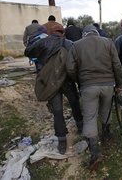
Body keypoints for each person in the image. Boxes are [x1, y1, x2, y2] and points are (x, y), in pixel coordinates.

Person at [66, 25, 122, 170]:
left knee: (90, 117)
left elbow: (70, 68)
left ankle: (95, 153)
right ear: (96, 33)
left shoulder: (76, 45)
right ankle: (107, 134)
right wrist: (119, 83)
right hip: (108, 84)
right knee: (106, 111)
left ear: (84, 34)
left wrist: (80, 81)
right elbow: (117, 64)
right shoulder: (108, 42)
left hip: (88, 86)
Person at [24, 24, 83, 154]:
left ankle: (62, 141)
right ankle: (80, 126)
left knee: (57, 110)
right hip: (67, 81)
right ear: (63, 33)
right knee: (74, 103)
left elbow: (27, 51)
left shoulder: (43, 42)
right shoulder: (69, 44)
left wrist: (40, 58)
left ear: (50, 32)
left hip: (51, 82)